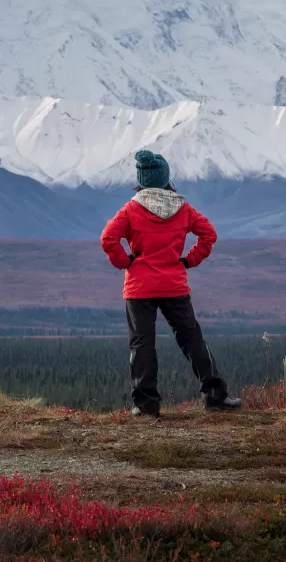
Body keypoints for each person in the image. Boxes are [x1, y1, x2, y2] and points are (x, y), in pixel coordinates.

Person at [100, 150, 241, 417]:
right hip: (174, 284)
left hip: (140, 287)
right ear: (166, 179)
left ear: (141, 180)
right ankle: (215, 396)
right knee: (192, 339)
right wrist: (188, 261)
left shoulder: (131, 209)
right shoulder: (183, 209)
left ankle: (146, 406)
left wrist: (125, 262)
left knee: (142, 344)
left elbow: (108, 238)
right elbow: (209, 235)